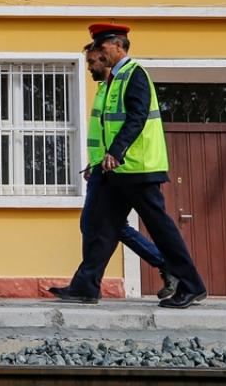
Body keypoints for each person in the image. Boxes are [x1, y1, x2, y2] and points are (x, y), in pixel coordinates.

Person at [50, 23, 207, 308]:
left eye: (103, 47)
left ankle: (191, 285)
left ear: (119, 46)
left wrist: (117, 151)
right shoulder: (113, 81)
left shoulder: (135, 74)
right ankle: (86, 286)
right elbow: (107, 127)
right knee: (100, 227)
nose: (100, 53)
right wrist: (100, 161)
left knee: (161, 229)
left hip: (139, 168)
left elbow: (137, 116)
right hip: (116, 171)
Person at [79, 44, 178, 300]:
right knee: (99, 224)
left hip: (126, 168)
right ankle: (86, 285)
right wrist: (94, 162)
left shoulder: (128, 80)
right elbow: (103, 132)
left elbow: (134, 121)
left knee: (100, 224)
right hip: (104, 168)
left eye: (92, 61)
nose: (90, 67)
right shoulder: (105, 89)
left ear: (105, 57)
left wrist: (113, 155)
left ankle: (87, 286)